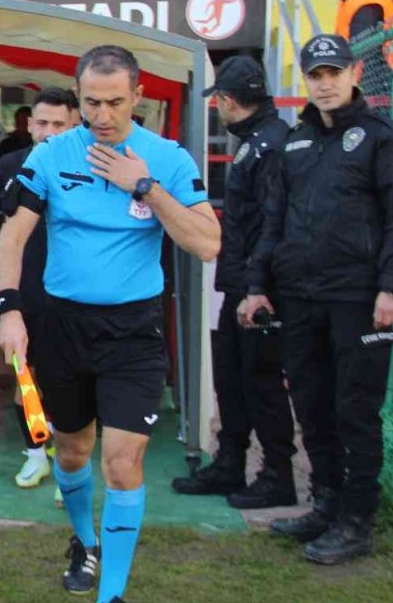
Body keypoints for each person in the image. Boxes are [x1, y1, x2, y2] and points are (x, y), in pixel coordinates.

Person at [0, 45, 220, 603]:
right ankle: (84, 540)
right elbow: (13, 237)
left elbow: (207, 243)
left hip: (132, 333)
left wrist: (144, 186)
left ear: (137, 97)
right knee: (72, 452)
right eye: (91, 102)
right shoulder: (51, 156)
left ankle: (111, 594)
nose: (102, 115)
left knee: (123, 464)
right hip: (63, 328)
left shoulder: (166, 158)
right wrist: (9, 308)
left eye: (115, 102)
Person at [243, 34, 393, 565]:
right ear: (306, 79)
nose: (324, 83)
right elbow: (273, 220)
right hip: (300, 298)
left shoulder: (383, 138)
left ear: (354, 74)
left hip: (360, 300)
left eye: (333, 73)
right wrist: (257, 285)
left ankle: (357, 520)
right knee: (312, 407)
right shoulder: (295, 143)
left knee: (355, 412)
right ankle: (325, 504)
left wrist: (392, 289)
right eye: (315, 75)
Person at [171, 56, 298, 509]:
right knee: (232, 378)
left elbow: (272, 223)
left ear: (226, 100)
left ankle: (277, 475)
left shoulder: (270, 146)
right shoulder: (259, 140)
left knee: (261, 382)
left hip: (259, 287)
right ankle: (230, 464)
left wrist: (256, 286)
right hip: (243, 281)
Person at [0, 86, 76, 493]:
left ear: (75, 124)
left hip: (75, 294)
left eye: (58, 124)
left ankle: (69, 463)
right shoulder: (11, 163)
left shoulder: (90, 163)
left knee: (71, 380)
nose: (47, 131)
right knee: (24, 373)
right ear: (29, 124)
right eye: (41, 122)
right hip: (22, 290)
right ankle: (34, 454)